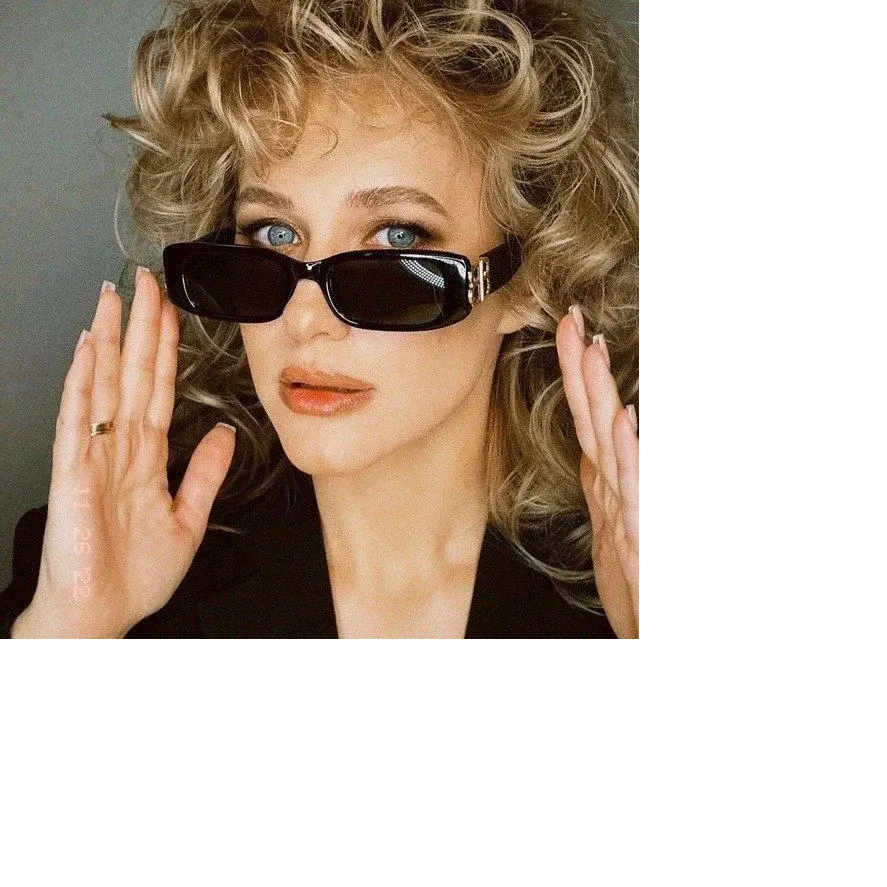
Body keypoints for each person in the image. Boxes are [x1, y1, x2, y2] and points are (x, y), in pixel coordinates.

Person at [1, 0, 638, 639]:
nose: (305, 319)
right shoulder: (97, 565)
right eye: (274, 233)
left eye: (396, 239)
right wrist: (75, 623)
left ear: (529, 279)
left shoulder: (619, 591)